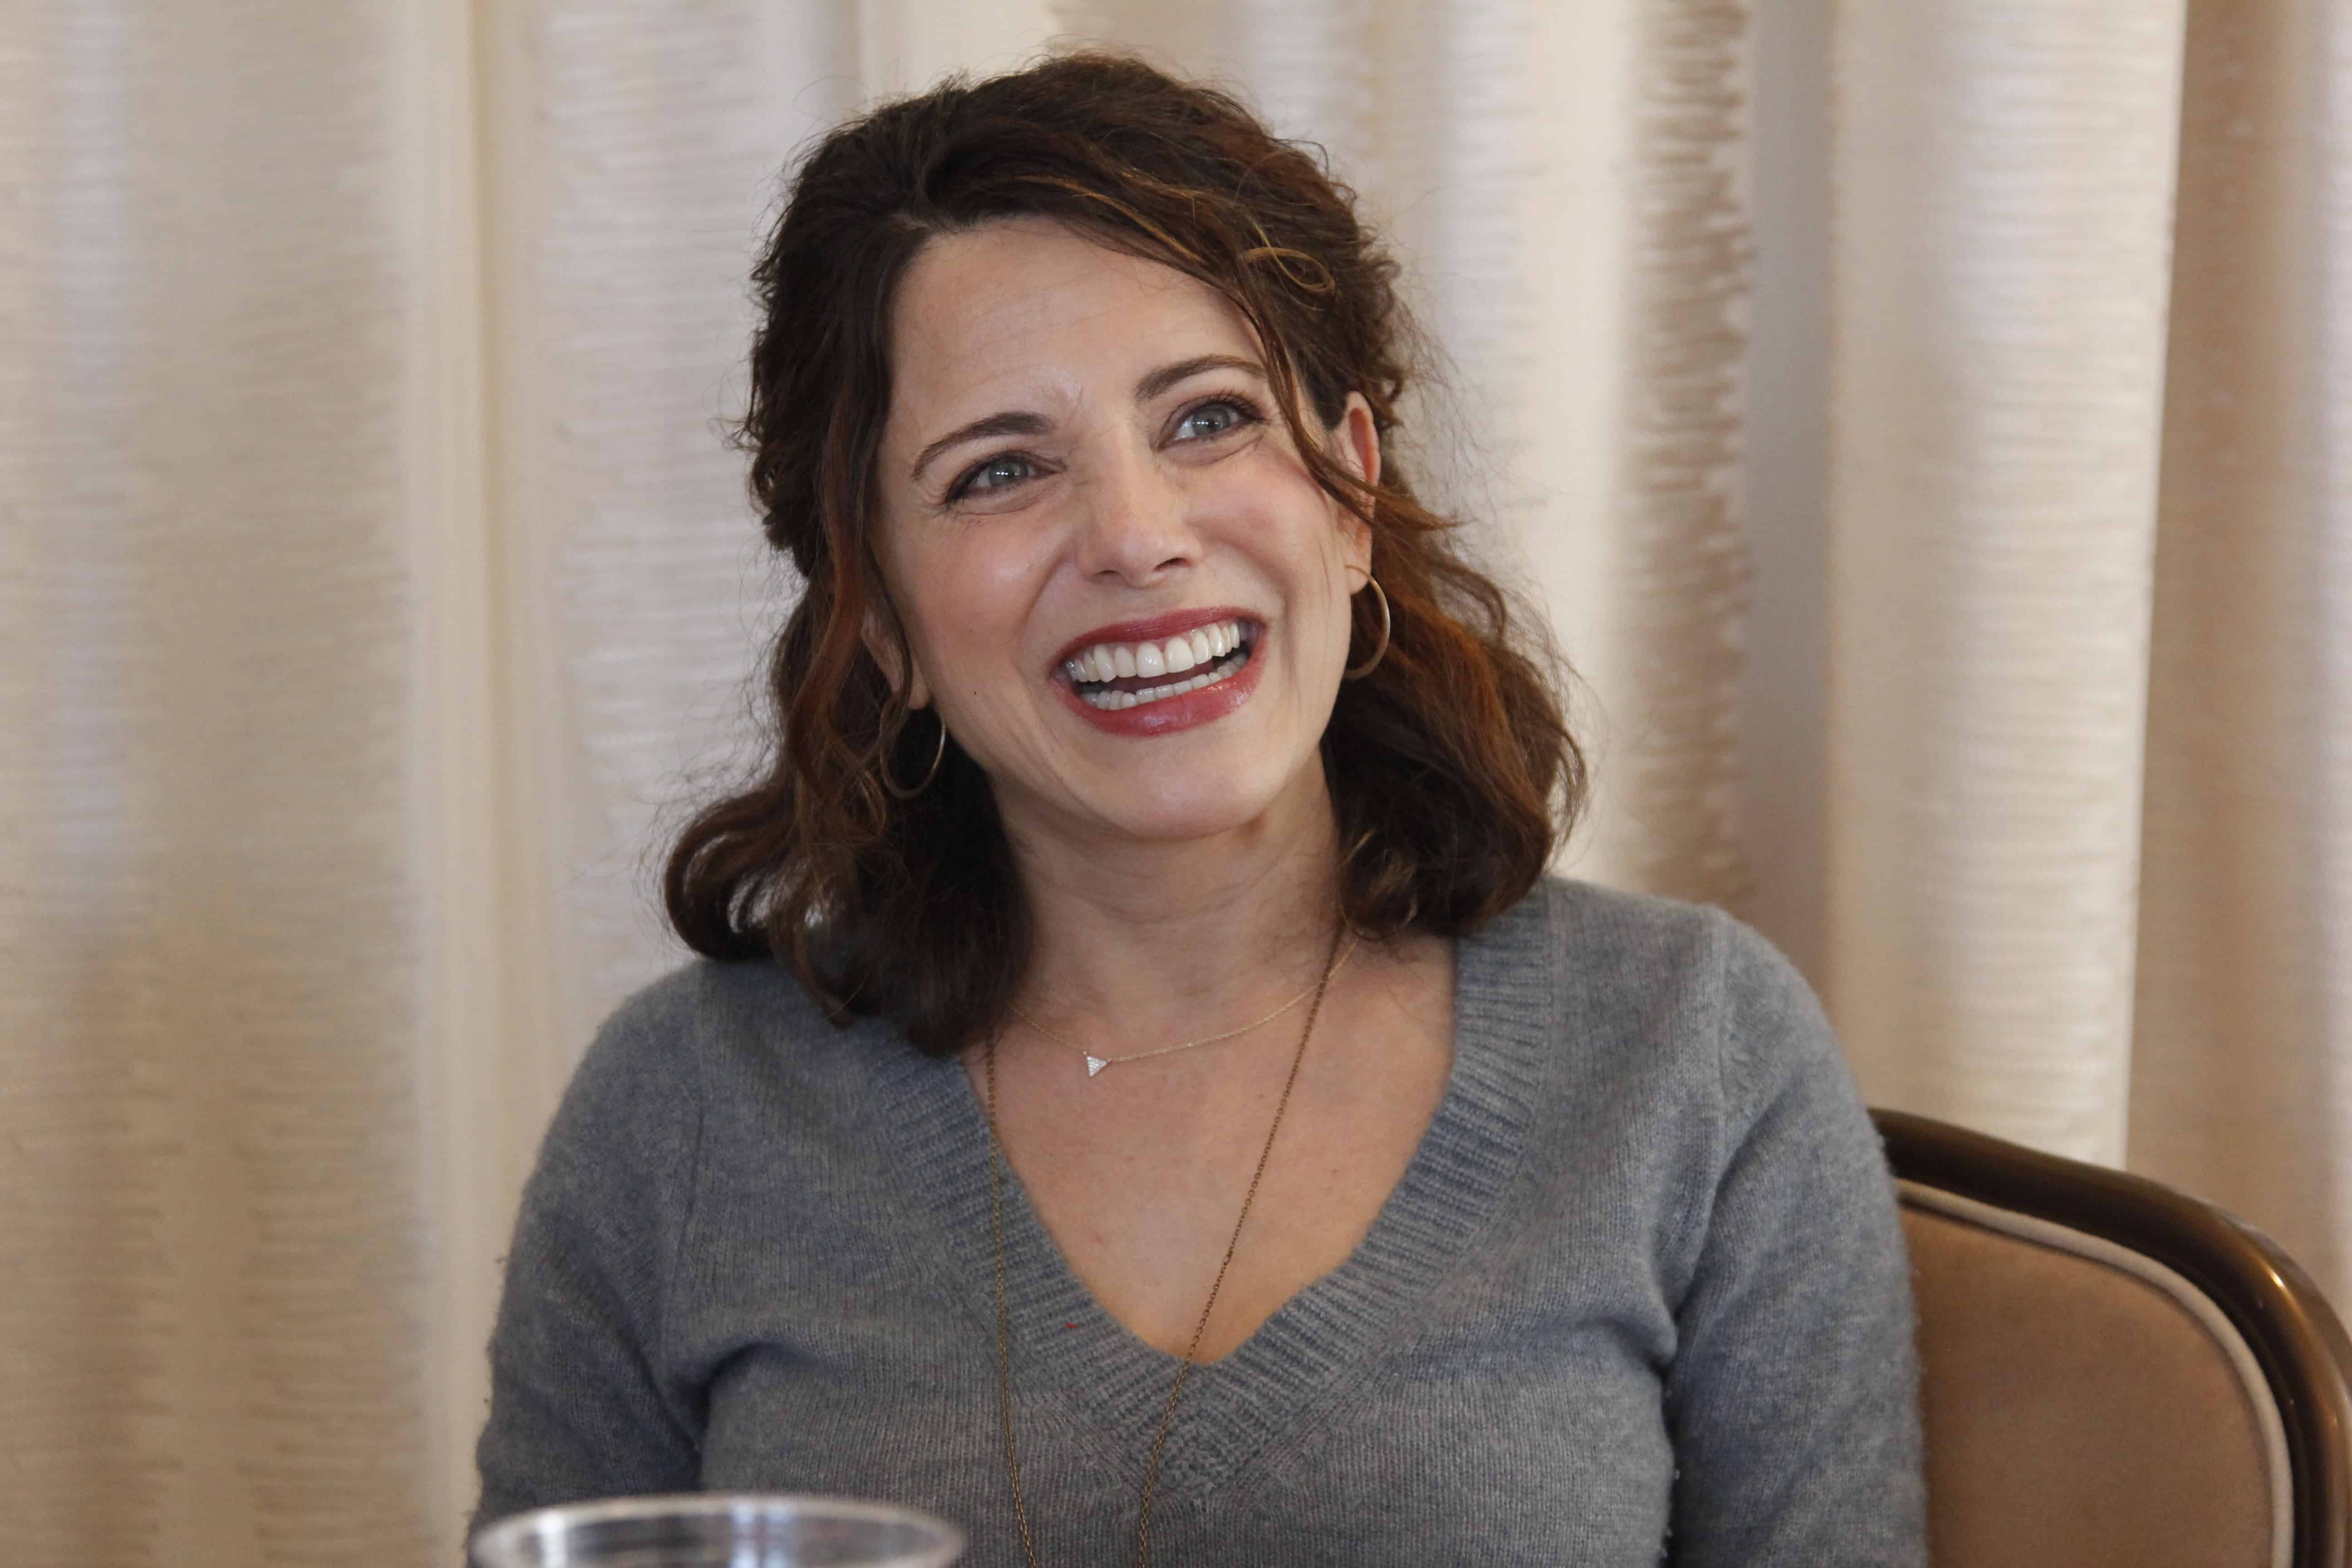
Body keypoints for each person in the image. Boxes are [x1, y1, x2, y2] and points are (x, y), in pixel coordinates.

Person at [471, 51, 1927, 1568]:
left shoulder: (1695, 1055)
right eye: (1000, 471)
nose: (1136, 538)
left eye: (1208, 420)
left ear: (1351, 498)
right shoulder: (684, 1112)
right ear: (881, 618)